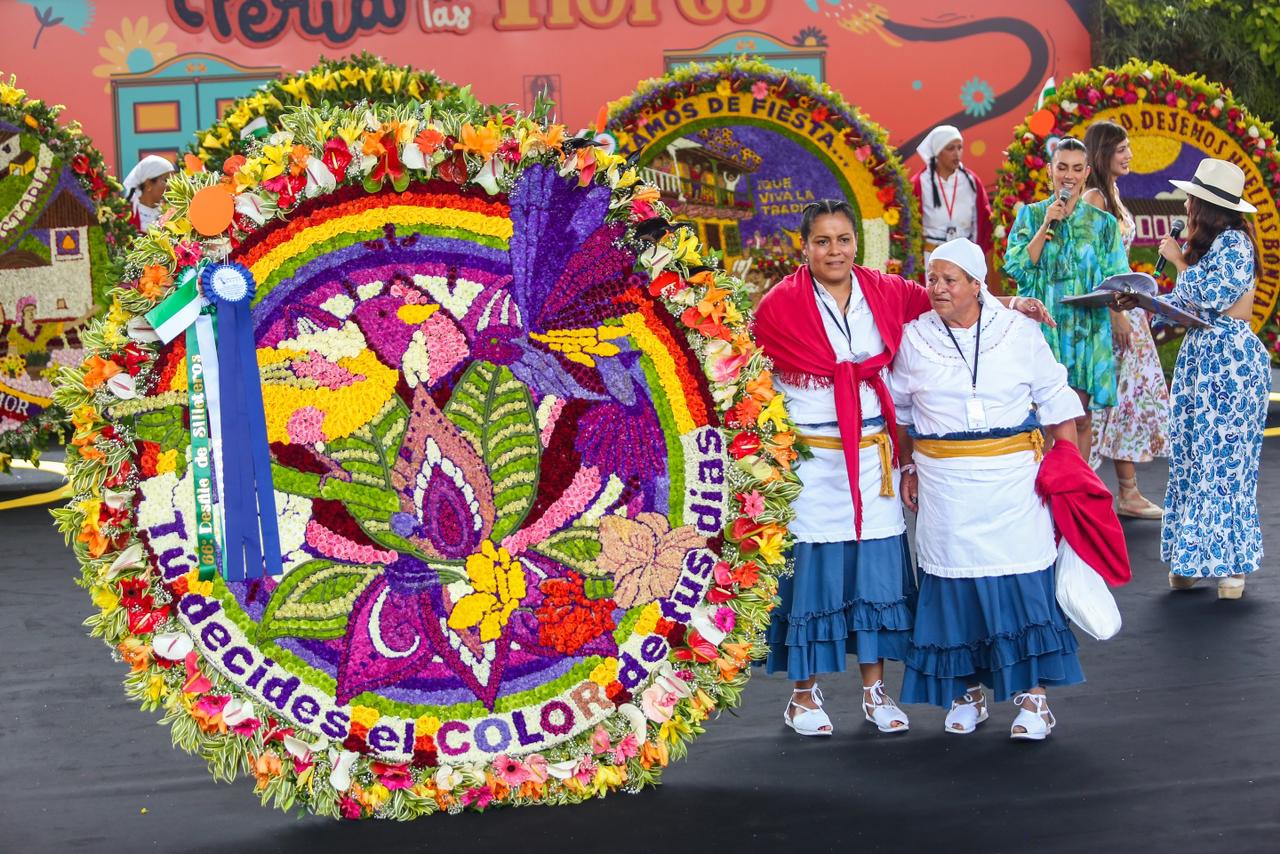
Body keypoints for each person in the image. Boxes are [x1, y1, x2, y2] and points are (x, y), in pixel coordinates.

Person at [752, 202, 1054, 737]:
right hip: (813, 463)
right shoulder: (778, 307)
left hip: (875, 460)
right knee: (814, 579)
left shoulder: (885, 292)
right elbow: (750, 374)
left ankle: (875, 691)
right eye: (822, 241)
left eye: (843, 239)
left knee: (877, 576)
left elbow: (954, 301)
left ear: (855, 244)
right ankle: (803, 697)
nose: (835, 250)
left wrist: (1010, 301)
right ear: (804, 247)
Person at [891, 238, 1086, 740]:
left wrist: (1069, 466)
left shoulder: (1019, 333)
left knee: (1021, 583)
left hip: (1013, 485)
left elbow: (1056, 398)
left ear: (978, 286)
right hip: (946, 487)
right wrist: (907, 467)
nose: (936, 287)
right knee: (954, 586)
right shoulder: (914, 339)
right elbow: (903, 413)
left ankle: (1035, 702)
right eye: (932, 277)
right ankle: (966, 693)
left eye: (949, 279)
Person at [1154, 159, 1269, 599]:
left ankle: (1229, 571)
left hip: (1231, 364)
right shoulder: (1216, 245)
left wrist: (1179, 261)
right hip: (1202, 358)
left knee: (1223, 463)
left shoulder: (1236, 244)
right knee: (1191, 459)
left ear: (1205, 206)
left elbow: (1208, 296)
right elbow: (1192, 302)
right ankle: (1190, 560)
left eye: (1191, 199)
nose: (1185, 204)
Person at [1003, 137, 1131, 461]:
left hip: (1085, 330)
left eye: (1076, 168)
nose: (1069, 176)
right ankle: (1041, 500)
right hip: (1043, 331)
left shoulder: (1103, 224)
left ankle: (1076, 494)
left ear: (1087, 173)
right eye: (1062, 168)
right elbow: (1017, 267)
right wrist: (1047, 223)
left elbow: (1118, 275)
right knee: (1043, 419)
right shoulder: (1032, 216)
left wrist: (1121, 302)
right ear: (1050, 172)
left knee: (1080, 416)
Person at [1081, 121, 1170, 518]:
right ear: (1103, 154)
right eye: (1122, 149)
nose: (1129, 155)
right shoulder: (1095, 198)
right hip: (1108, 314)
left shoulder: (1113, 194)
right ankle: (1082, 490)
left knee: (1127, 400)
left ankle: (1129, 493)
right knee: (1103, 402)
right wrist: (1115, 311)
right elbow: (1089, 264)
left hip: (1127, 311)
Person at [911, 125, 993, 259]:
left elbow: (983, 221)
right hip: (931, 257)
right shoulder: (920, 182)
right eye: (950, 148)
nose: (957, 153)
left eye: (960, 147)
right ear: (937, 152)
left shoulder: (971, 181)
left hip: (964, 257)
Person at [122, 154, 174, 232]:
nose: (170, 186)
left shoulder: (171, 213)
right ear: (148, 183)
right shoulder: (126, 215)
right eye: (166, 180)